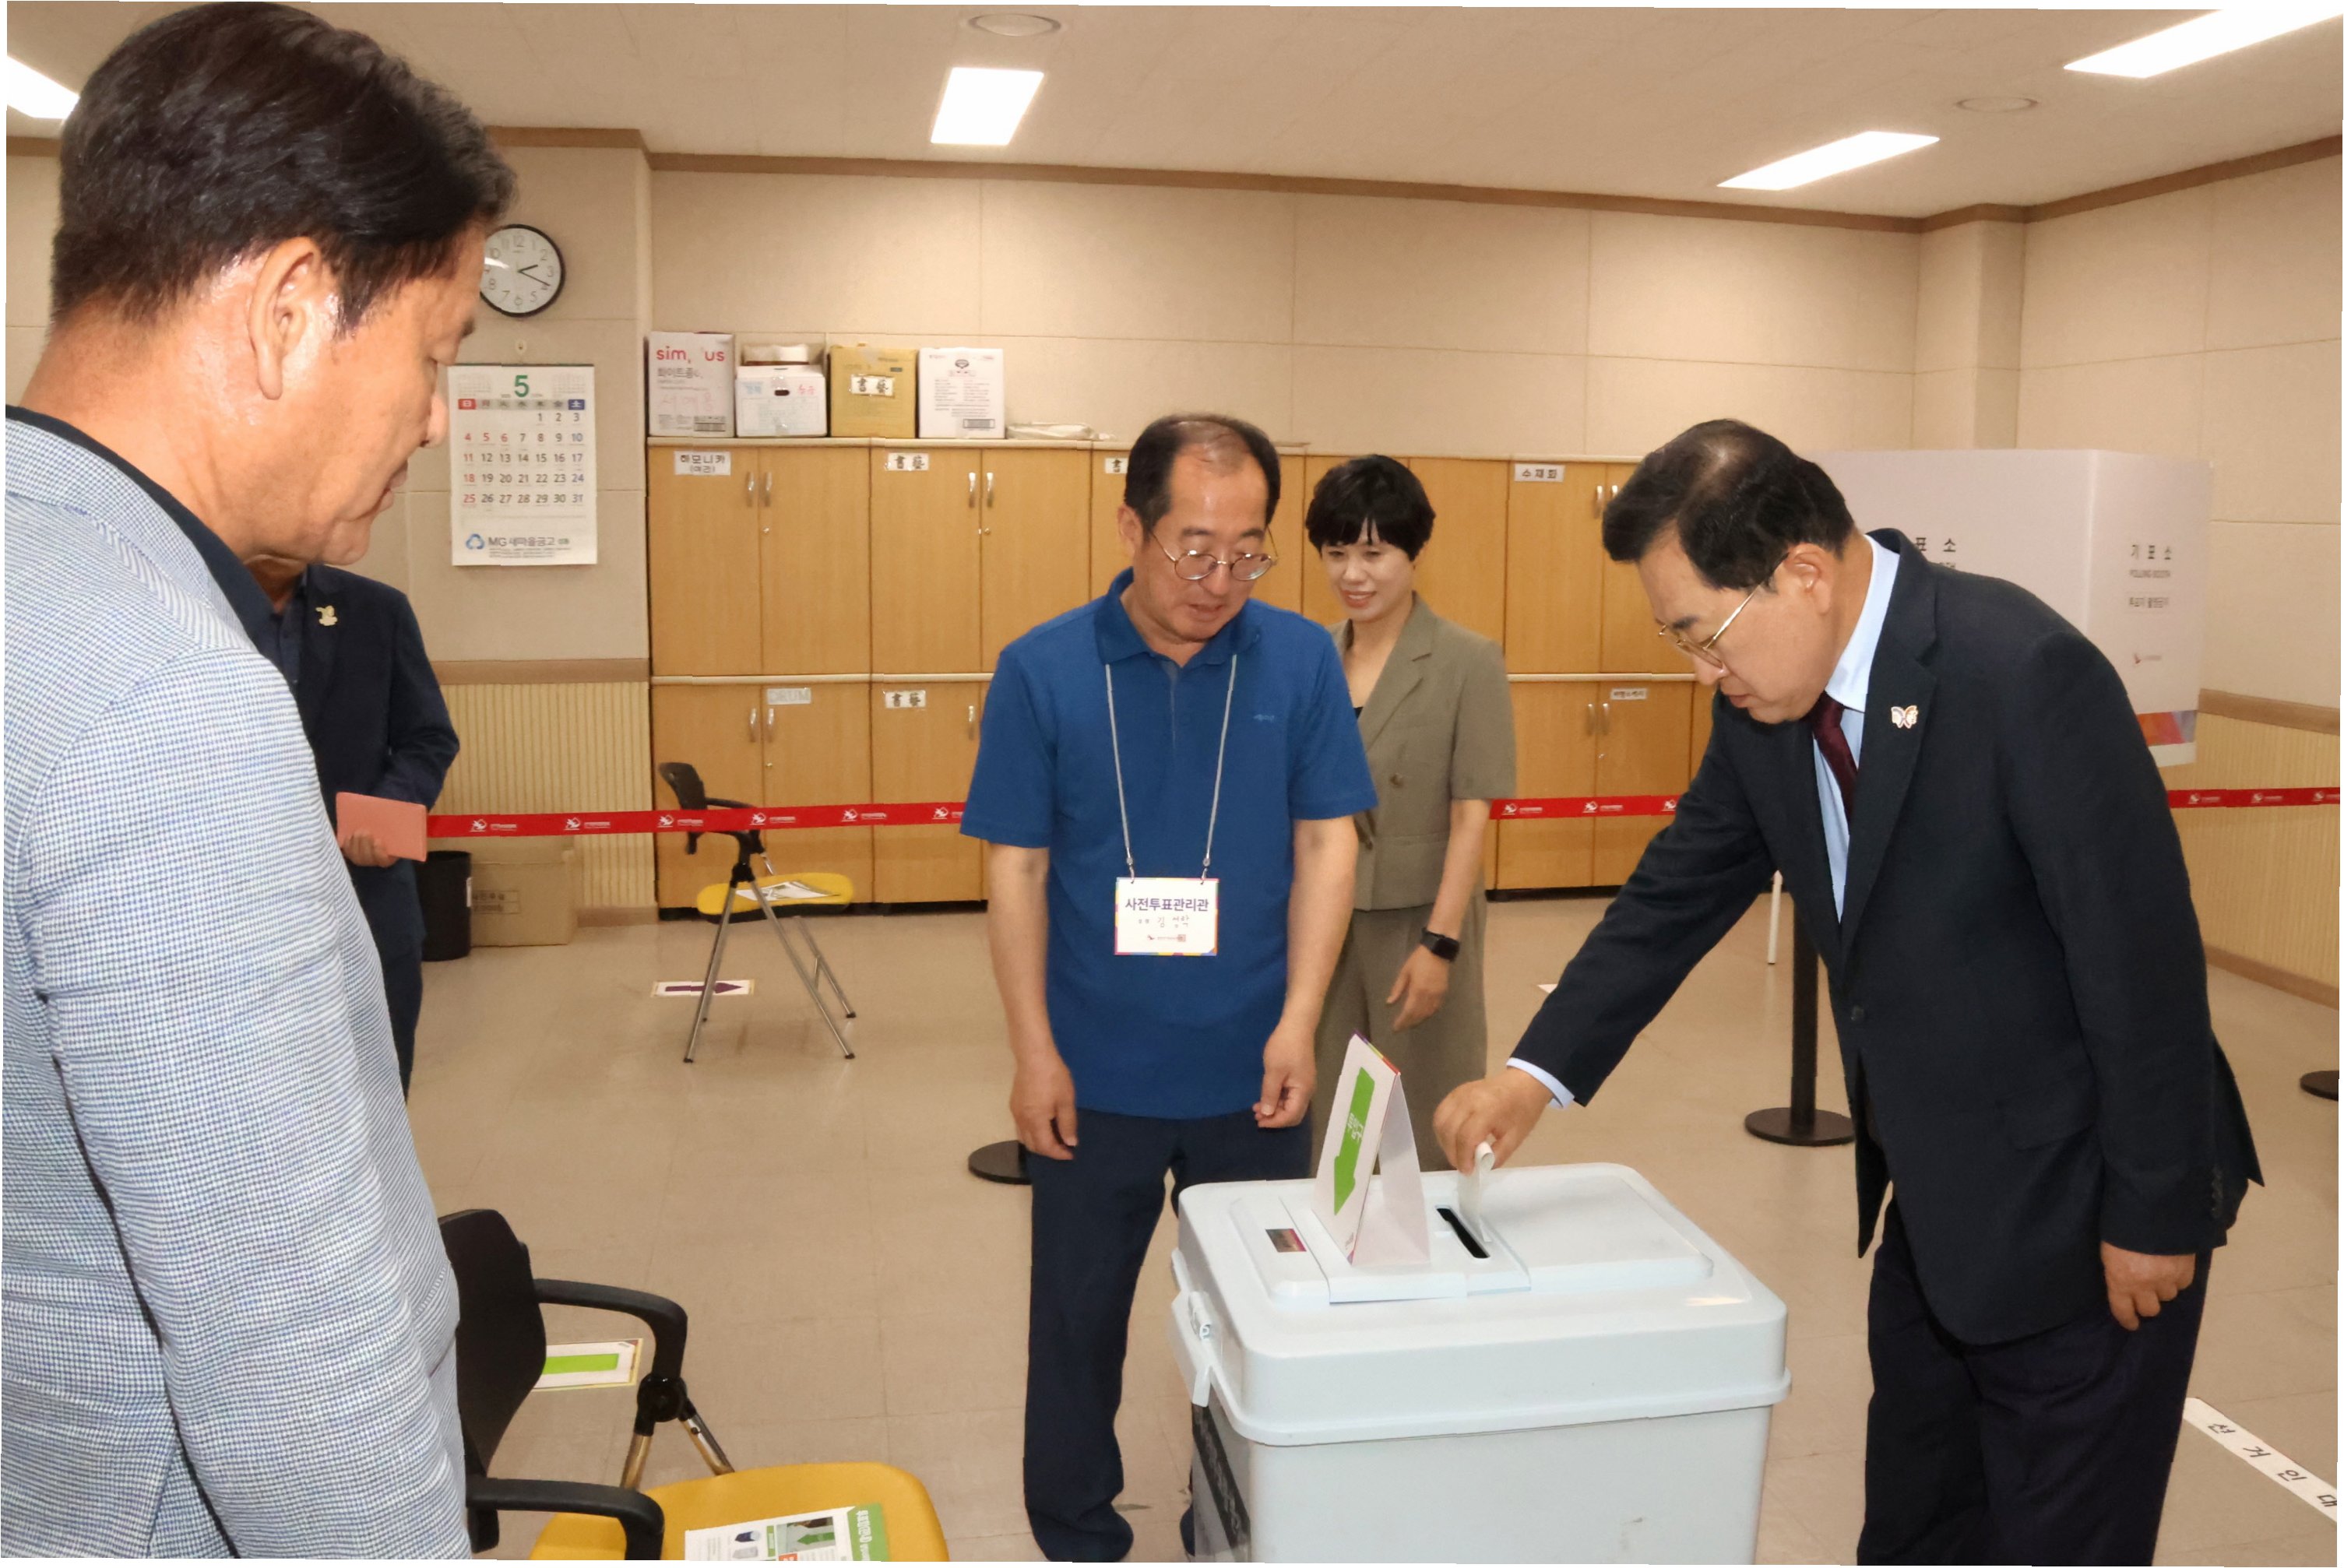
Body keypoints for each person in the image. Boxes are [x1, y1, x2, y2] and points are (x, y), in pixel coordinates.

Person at [1434, 419, 2260, 1566]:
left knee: (2059, 1535)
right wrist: (1532, 1076)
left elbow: (2141, 961)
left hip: (2083, 1208)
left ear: (1803, 574)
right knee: (1914, 1525)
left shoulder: (2019, 672)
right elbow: (1671, 896)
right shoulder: (1767, 706)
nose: (1702, 671)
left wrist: (2154, 1213)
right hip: (1935, 1199)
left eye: (1702, 633)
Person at [3, 4, 512, 1554]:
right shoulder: (168, 694)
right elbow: (293, 1362)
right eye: (434, 353)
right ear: (290, 306)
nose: (436, 418)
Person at [963, 413, 1376, 1562]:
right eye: (1193, 547)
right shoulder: (1043, 667)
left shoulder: (1299, 659)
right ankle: (1074, 1530)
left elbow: (1326, 844)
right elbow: (1017, 868)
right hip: (1092, 1072)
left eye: (1247, 552)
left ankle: (1231, 1517)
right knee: (1077, 1319)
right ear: (1129, 528)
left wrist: (1298, 1022)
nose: (1218, 579)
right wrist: (1034, 1052)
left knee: (1259, 1321)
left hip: (1254, 1068)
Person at [1304, 456, 1514, 1172]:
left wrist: (1440, 945)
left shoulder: (1467, 660)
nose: (1353, 574)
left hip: (1419, 916)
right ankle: (1331, 1236)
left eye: (1374, 553)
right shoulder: (1311, 657)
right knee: (1327, 1114)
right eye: (1337, 553)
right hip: (1323, 917)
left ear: (1413, 552)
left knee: (1427, 1114)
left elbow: (1471, 816)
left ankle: (1436, 1237)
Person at [245, 556, 460, 1095]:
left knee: (378, 1090)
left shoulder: (375, 608)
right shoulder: (186, 600)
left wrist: (385, 814)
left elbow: (427, 737)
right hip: (236, 904)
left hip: (366, 892)